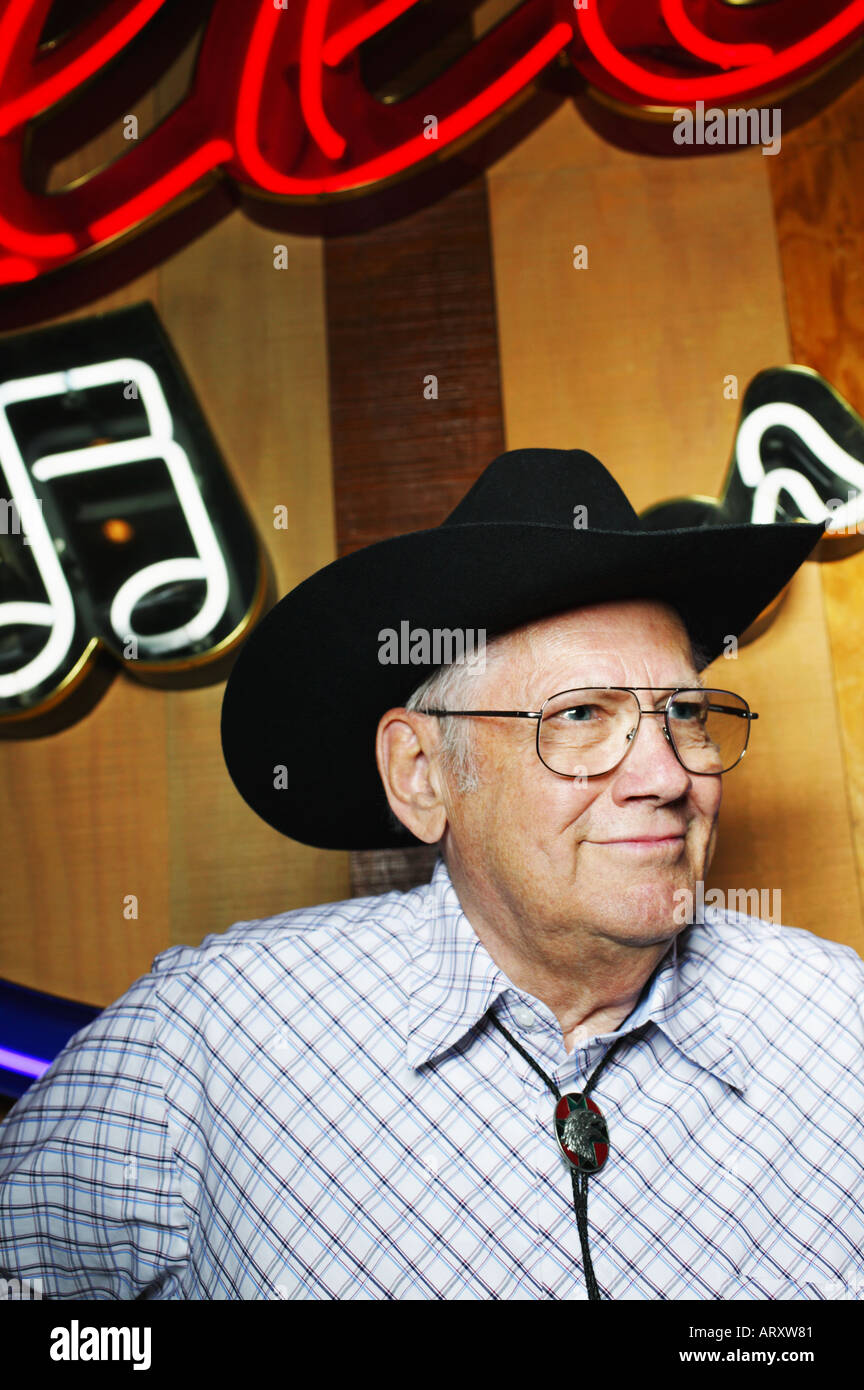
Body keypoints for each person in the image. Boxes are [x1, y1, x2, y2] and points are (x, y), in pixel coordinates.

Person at [1, 447, 862, 1301]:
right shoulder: (218, 1033)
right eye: (580, 717)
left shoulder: (834, 1025)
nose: (669, 777)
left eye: (684, 714)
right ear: (422, 776)